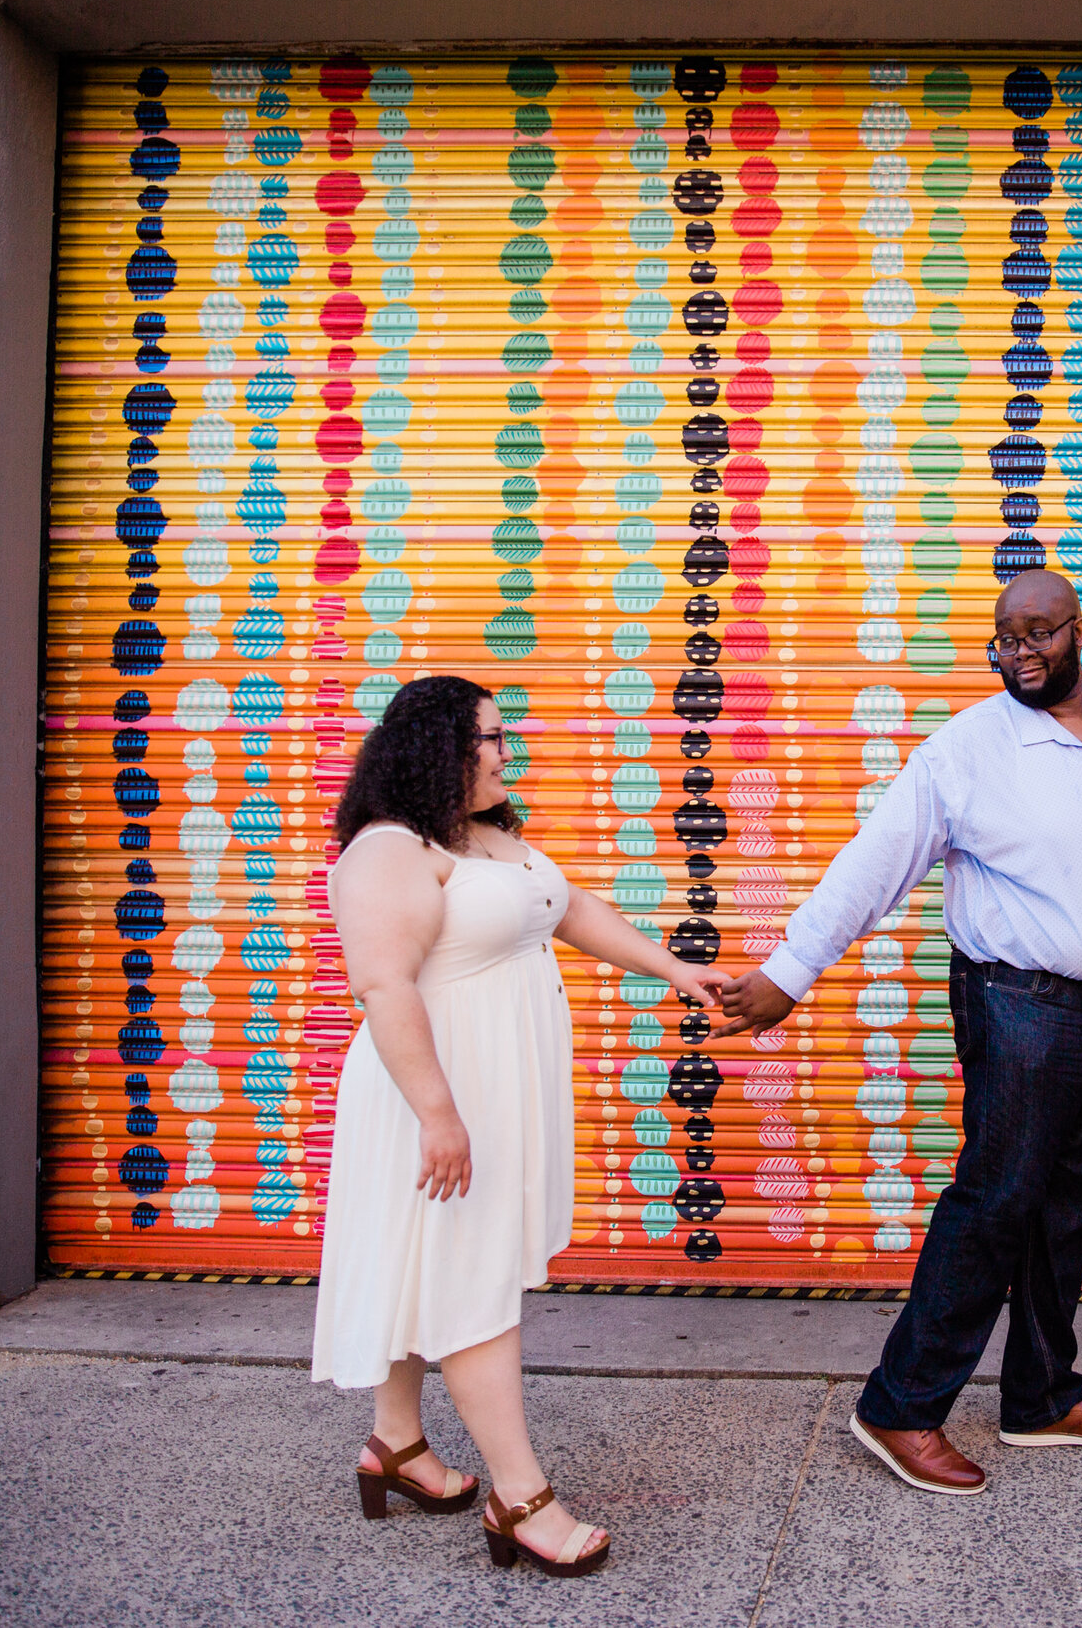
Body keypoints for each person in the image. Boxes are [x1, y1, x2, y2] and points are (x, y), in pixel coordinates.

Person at [714, 570, 1082, 1494]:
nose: (1019, 653)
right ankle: (900, 1405)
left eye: (1038, 634)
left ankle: (1042, 1395)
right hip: (1018, 1004)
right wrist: (788, 971)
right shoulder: (965, 750)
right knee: (996, 1202)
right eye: (1003, 639)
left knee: (1069, 1207)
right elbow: (873, 864)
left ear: (1078, 630)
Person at [310, 675, 729, 1575]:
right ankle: (520, 1495)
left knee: (435, 1262)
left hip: (490, 1087)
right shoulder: (388, 850)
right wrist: (437, 1113)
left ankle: (395, 1444)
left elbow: (569, 909)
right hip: (433, 1092)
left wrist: (676, 971)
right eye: (491, 738)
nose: (507, 751)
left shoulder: (488, 840)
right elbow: (384, 986)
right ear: (437, 749)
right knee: (473, 1281)